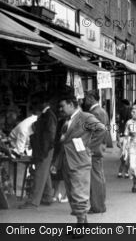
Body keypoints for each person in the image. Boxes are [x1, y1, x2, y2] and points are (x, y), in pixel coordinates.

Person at [51, 94, 106, 225]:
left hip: (79, 162)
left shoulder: (85, 117)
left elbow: (102, 130)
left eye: (62, 106)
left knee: (79, 194)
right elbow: (64, 144)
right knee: (72, 194)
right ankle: (83, 221)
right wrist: (56, 163)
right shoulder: (66, 121)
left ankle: (81, 224)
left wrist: (89, 147)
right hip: (67, 162)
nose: (60, 109)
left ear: (71, 104)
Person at [20, 94, 57, 209]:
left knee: (40, 174)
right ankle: (48, 196)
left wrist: (43, 151)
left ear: (43, 103)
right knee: (44, 173)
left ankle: (33, 202)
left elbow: (49, 135)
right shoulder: (47, 115)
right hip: (45, 148)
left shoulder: (48, 115)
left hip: (44, 148)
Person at [83, 95, 111, 214]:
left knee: (95, 177)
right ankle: (99, 204)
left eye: (86, 98)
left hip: (95, 149)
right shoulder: (101, 111)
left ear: (91, 99)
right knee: (98, 176)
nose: (84, 101)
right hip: (98, 147)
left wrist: (90, 146)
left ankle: (97, 205)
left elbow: (99, 131)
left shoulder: (96, 112)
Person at [116, 99, 131, 178]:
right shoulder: (131, 114)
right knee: (128, 155)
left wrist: (118, 139)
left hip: (122, 136)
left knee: (123, 154)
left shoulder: (122, 112)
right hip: (128, 137)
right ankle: (126, 172)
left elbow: (118, 128)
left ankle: (120, 171)